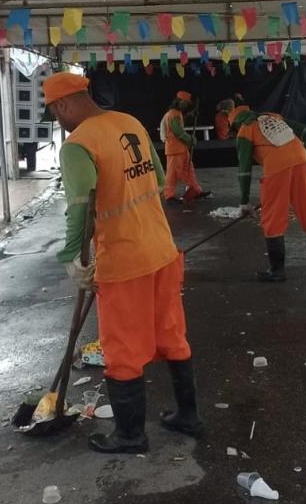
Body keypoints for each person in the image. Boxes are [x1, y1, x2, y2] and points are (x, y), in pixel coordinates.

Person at [43, 72, 202, 454]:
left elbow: (79, 208)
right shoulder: (129, 122)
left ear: (62, 105)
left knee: (122, 349)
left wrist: (71, 258)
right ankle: (189, 416)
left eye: (56, 114)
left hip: (124, 262)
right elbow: (159, 179)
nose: (60, 123)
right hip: (162, 251)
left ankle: (130, 435)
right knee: (172, 335)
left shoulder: (78, 145)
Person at [230, 107, 306, 282]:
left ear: (236, 123)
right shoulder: (274, 117)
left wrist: (244, 202)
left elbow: (244, 170)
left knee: (273, 217)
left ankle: (277, 271)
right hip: (303, 162)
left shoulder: (245, 130)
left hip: (276, 169)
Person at [160, 91, 210, 203]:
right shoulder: (173, 114)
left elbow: (181, 123)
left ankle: (196, 190)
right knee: (173, 174)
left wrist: (191, 115)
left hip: (181, 148)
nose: (186, 105)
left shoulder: (177, 113)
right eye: (185, 103)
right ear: (179, 102)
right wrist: (190, 139)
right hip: (174, 149)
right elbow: (178, 132)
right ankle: (169, 195)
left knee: (189, 171)